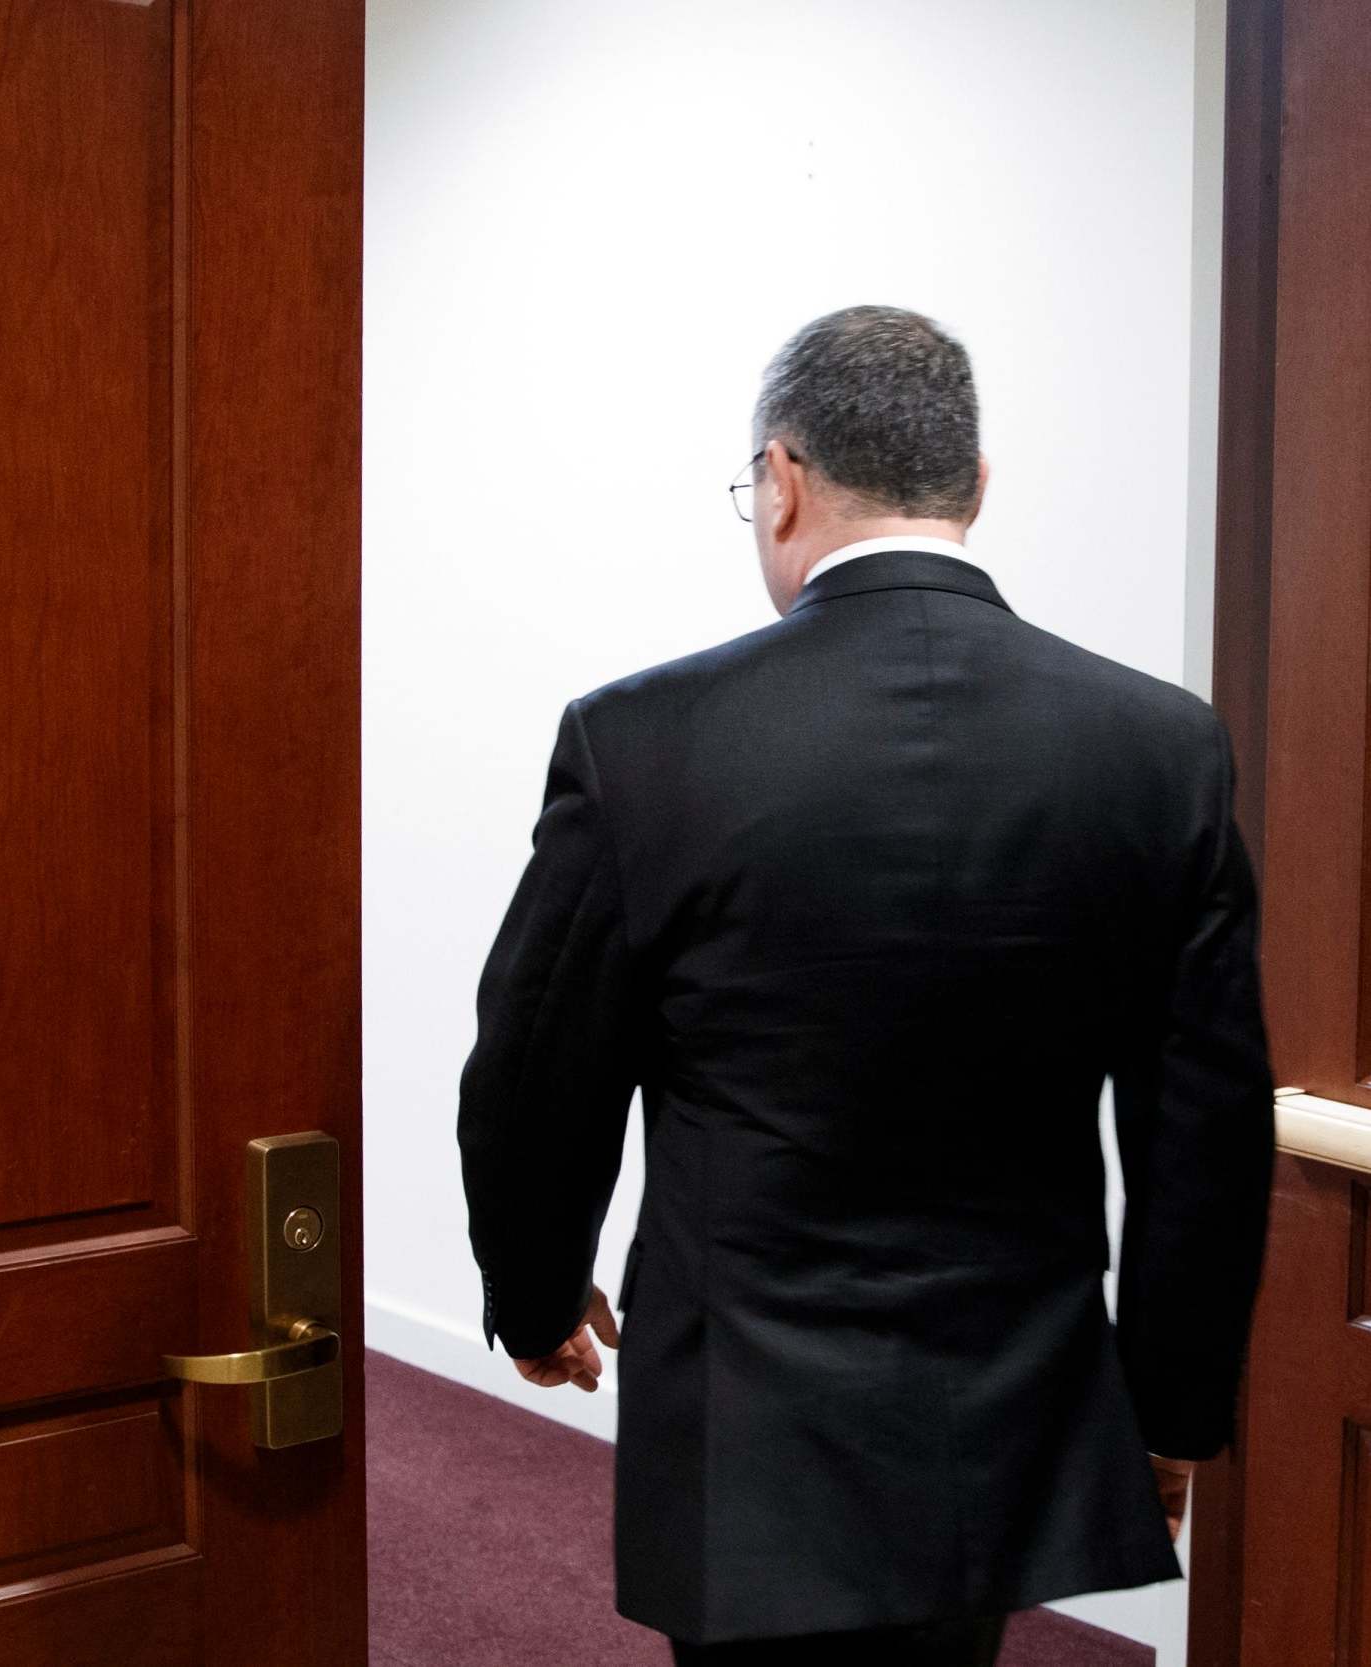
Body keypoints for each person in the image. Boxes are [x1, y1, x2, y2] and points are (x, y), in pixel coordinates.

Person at [456, 305, 1275, 1665]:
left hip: (745, 1407)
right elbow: (1205, 1126)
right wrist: (1169, 1406)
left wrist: (534, 1290)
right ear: (975, 489)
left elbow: (536, 1066)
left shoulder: (641, 739)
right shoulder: (1158, 748)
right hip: (1011, 1390)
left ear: (778, 480)